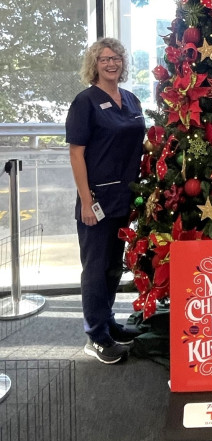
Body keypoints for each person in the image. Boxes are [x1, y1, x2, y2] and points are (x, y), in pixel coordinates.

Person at [66, 38, 146, 364]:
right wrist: (86, 201)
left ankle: (109, 321)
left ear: (123, 63)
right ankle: (95, 336)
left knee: (114, 266)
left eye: (116, 58)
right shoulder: (85, 102)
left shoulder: (130, 99)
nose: (111, 64)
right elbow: (75, 153)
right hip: (97, 199)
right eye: (104, 59)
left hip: (125, 197)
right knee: (95, 269)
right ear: (94, 65)